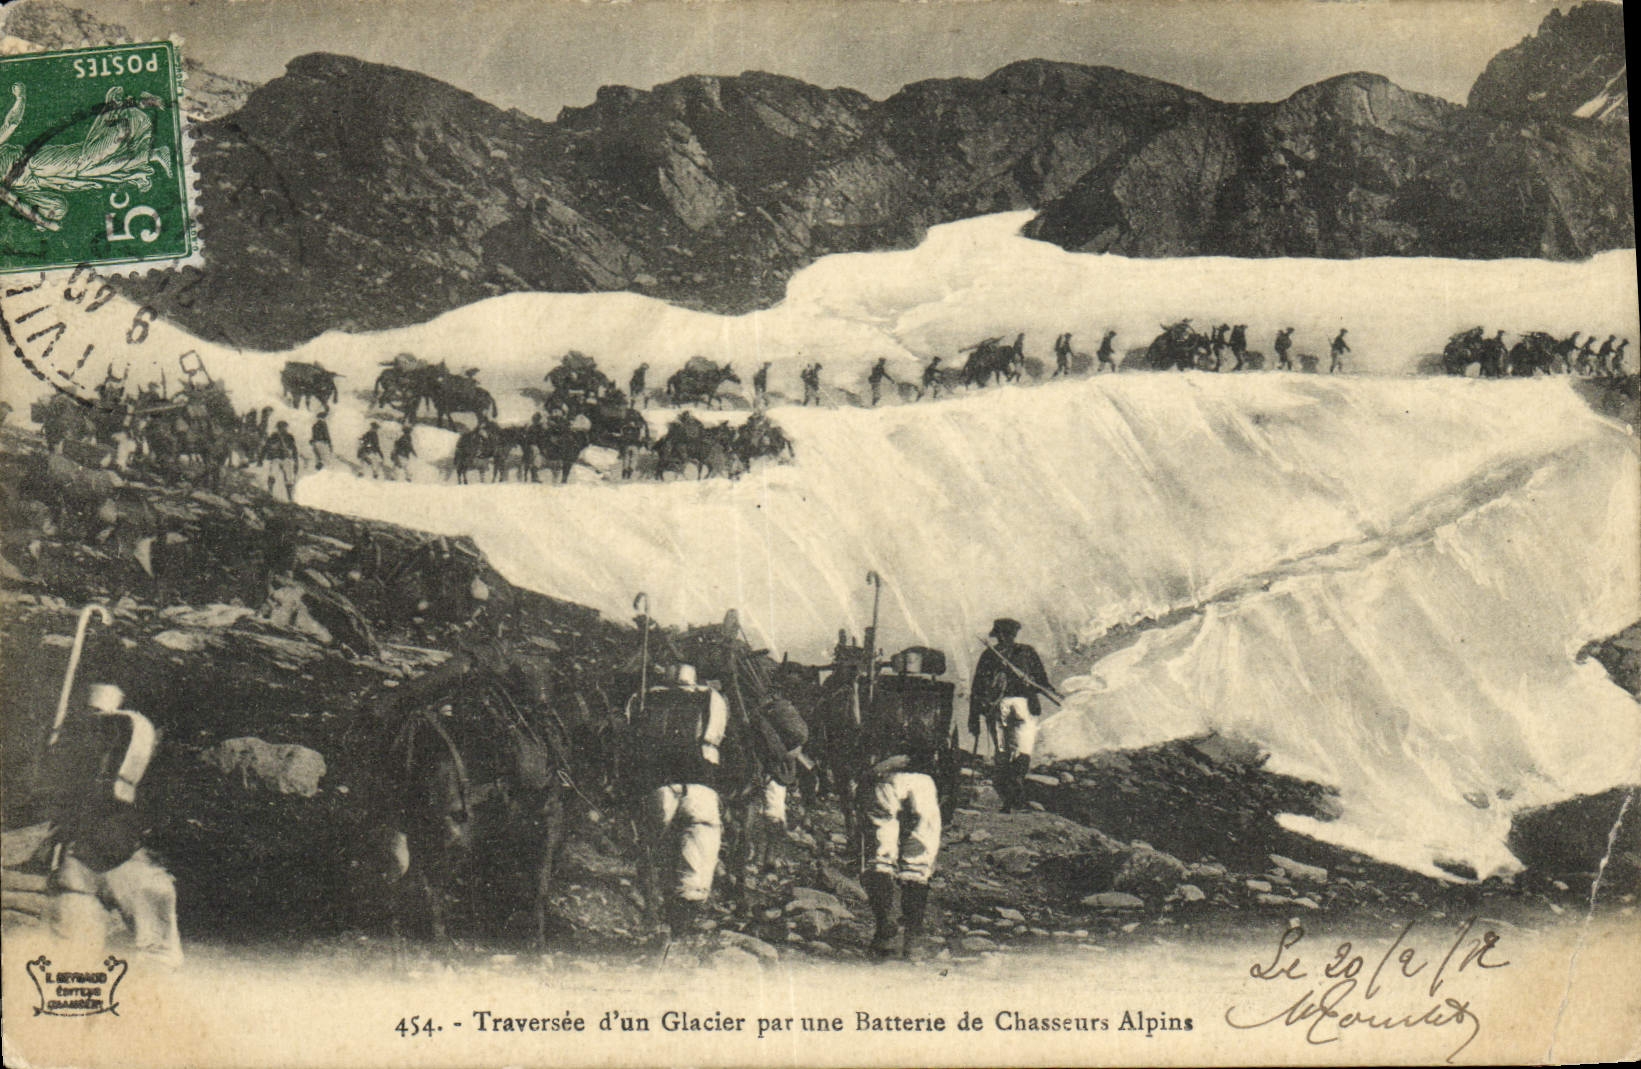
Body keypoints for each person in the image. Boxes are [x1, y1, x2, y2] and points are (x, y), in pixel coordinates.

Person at [39, 683, 182, 964]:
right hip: (121, 864)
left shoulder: (77, 747)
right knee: (158, 959)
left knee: (71, 958)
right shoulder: (141, 751)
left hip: (80, 861)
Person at [624, 664, 729, 938]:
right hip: (702, 791)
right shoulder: (712, 701)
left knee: (654, 853)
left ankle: (651, 914)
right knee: (695, 864)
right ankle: (680, 929)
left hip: (660, 788)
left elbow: (632, 745)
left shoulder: (648, 699)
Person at [968, 618, 1051, 813]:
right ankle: (1015, 797)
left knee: (1003, 752)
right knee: (1023, 751)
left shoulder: (989, 655)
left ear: (998, 635)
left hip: (998, 707)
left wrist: (973, 717)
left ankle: (1007, 799)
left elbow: (977, 688)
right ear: (1014, 634)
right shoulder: (1027, 652)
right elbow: (1043, 681)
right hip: (1024, 705)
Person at [258, 419, 300, 500]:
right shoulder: (274, 436)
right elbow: (266, 447)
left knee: (289, 478)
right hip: (277, 458)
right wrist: (261, 459)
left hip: (285, 459)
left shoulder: (289, 437)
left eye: (284, 427)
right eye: (281, 427)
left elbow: (294, 449)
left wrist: (296, 461)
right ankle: (271, 493)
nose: (283, 429)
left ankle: (289, 497)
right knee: (273, 475)